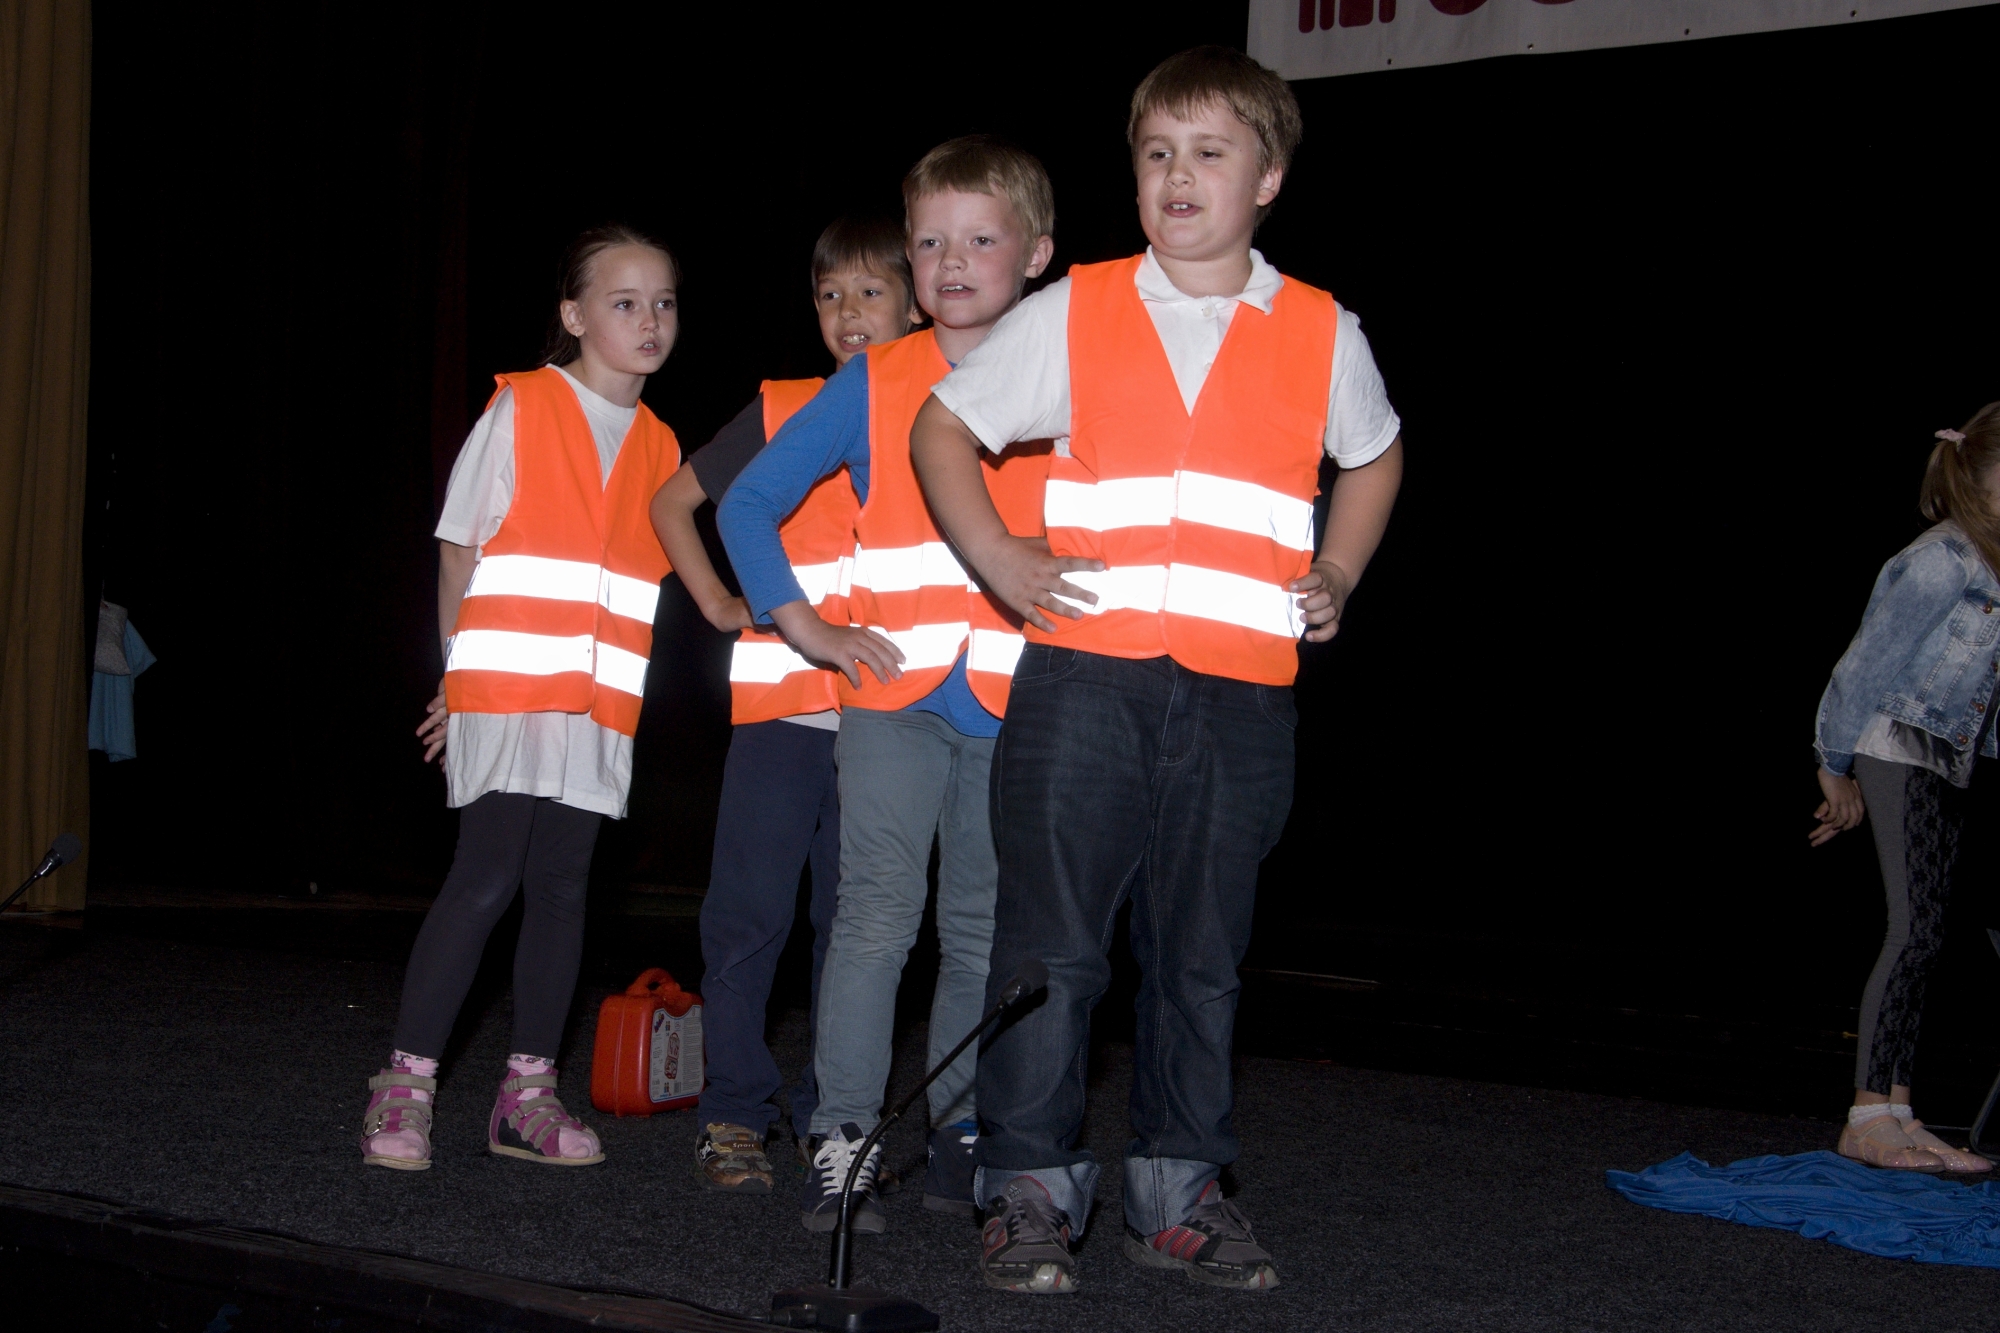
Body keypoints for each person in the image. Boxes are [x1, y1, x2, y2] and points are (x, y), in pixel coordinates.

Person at [910, 48, 1404, 1294]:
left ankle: (1179, 1191)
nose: (1177, 174)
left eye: (1208, 152)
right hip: (1084, 680)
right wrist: (997, 557)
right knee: (1049, 948)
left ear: (1267, 178)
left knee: (1199, 955)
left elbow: (1375, 454)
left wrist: (1338, 571)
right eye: (1155, 153)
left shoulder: (1321, 329)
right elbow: (941, 426)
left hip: (1239, 694)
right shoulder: (1072, 308)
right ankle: (1026, 1187)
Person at [718, 136, 1055, 1234]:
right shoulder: (875, 380)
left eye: (979, 239)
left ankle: (959, 1129)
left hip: (1014, 701)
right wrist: (807, 627)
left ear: (1036, 253)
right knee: (872, 918)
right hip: (891, 698)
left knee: (980, 927)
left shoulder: (1071, 371)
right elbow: (745, 503)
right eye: (929, 243)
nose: (951, 263)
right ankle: (844, 1136)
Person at [360, 225, 684, 1171]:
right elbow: (458, 548)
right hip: (506, 695)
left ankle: (527, 1098)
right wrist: (455, 678)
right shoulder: (524, 405)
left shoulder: (662, 445)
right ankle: (404, 1087)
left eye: (664, 302)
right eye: (624, 303)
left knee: (562, 888)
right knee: (486, 878)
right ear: (574, 316)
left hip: (597, 708)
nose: (650, 320)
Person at [649, 217, 922, 1194]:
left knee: (856, 929)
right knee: (748, 917)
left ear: (916, 303)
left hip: (890, 719)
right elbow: (671, 503)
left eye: (872, 291)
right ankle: (732, 1112)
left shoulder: (941, 411)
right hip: (781, 713)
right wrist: (722, 602)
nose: (849, 312)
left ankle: (830, 1118)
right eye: (830, 294)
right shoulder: (783, 406)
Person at [1810, 403, 2000, 1177]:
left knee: (1931, 934)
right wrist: (1833, 762)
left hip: (1946, 757)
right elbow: (1865, 663)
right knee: (1914, 928)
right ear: (1979, 478)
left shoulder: (1990, 563)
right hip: (1898, 746)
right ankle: (1867, 1116)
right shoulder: (1941, 560)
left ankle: (1898, 1108)